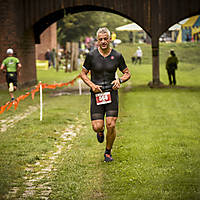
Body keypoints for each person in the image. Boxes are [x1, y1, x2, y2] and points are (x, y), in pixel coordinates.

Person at [80, 27, 131, 162]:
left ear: (109, 39)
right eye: (100, 39)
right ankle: (100, 131)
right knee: (97, 126)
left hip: (111, 93)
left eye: (105, 39)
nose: (103, 41)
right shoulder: (91, 56)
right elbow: (83, 74)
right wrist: (92, 86)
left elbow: (127, 73)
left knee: (111, 124)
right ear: (97, 41)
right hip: (97, 94)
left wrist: (119, 80)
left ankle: (108, 151)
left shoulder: (117, 56)